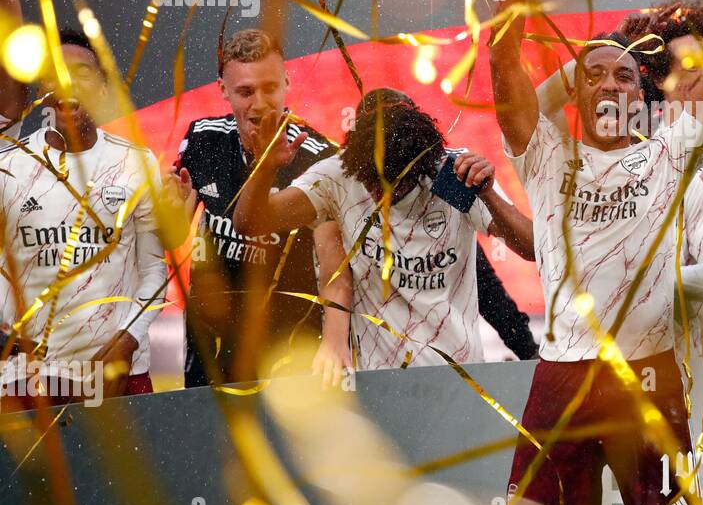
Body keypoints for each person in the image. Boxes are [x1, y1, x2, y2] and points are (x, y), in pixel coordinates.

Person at [492, 0, 703, 505]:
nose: (609, 83)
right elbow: (503, 68)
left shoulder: (668, 150)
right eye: (593, 73)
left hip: (648, 371)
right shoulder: (546, 156)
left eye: (625, 76)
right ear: (574, 93)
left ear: (642, 95)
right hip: (564, 371)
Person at [232, 88, 533, 370]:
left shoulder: (454, 175)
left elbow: (532, 248)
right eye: (373, 182)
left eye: (396, 184)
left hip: (458, 374)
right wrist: (265, 168)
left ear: (421, 164)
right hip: (380, 380)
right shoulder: (340, 175)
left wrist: (489, 195)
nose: (381, 195)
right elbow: (249, 222)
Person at [533, 1, 703, 356]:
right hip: (638, 351)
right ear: (657, 77)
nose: (699, 77)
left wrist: (626, 284)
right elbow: (538, 107)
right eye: (686, 67)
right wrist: (616, 46)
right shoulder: (621, 157)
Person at [168, 29, 352, 387]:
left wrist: (334, 341)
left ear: (286, 82)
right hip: (211, 343)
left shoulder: (321, 157)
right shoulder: (203, 139)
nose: (260, 103)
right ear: (223, 89)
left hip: (289, 347)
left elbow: (333, 262)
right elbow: (174, 234)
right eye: (245, 91)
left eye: (269, 88)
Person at [0, 29, 167, 409]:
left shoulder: (136, 163)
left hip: (115, 370)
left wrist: (128, 341)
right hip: (27, 377)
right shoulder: (8, 165)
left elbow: (155, 271)